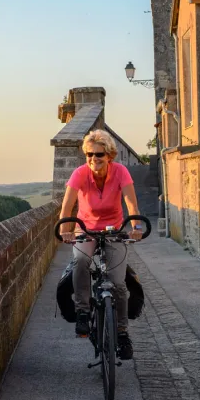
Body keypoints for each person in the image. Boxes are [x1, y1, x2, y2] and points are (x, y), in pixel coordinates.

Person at [58, 129, 143, 360]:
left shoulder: (121, 172)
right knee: (80, 260)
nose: (93, 159)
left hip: (114, 230)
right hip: (85, 229)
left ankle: (123, 333)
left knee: (118, 284)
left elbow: (131, 205)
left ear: (109, 156)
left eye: (98, 155)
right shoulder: (79, 174)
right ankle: (83, 312)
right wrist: (65, 230)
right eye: (89, 155)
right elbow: (67, 208)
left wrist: (135, 228)